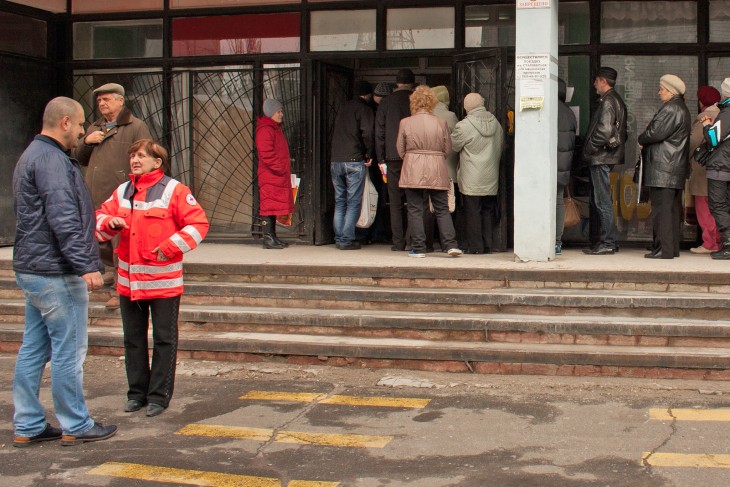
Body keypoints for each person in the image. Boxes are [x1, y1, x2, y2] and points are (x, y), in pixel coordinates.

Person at [12, 97, 117, 447]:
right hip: (55, 272)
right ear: (66, 122)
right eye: (83, 123)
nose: (86, 131)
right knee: (69, 351)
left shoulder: (33, 155)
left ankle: (27, 424)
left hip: (33, 268)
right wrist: (87, 264)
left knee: (33, 348)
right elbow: (63, 218)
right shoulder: (53, 161)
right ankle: (76, 422)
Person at [96, 139, 209, 417]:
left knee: (164, 340)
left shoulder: (174, 190)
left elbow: (199, 224)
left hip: (163, 284)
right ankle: (136, 394)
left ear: (157, 162)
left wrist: (170, 247)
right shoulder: (122, 192)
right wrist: (108, 224)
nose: (135, 160)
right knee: (132, 340)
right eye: (132, 155)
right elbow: (98, 222)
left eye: (141, 156)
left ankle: (158, 397)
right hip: (128, 283)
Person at [74, 83, 152, 310]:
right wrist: (87, 141)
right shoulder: (94, 127)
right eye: (99, 101)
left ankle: (120, 286)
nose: (102, 104)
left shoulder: (135, 126)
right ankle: (108, 271)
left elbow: (146, 156)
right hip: (95, 189)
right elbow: (79, 156)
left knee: (120, 239)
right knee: (99, 233)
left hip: (122, 192)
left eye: (107, 99)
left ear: (120, 101)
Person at [397, 85, 463, 258]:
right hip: (436, 168)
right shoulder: (441, 122)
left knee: (415, 209)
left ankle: (419, 248)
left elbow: (400, 149)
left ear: (413, 102)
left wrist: (413, 157)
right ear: (432, 102)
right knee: (442, 208)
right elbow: (447, 149)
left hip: (413, 168)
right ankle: (450, 245)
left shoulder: (405, 122)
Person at [638, 74, 691, 259]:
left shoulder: (671, 109)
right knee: (671, 211)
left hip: (664, 169)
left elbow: (654, 133)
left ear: (670, 91)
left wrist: (641, 139)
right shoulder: (680, 107)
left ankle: (663, 250)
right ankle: (670, 249)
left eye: (661, 89)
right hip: (672, 168)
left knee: (662, 211)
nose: (659, 92)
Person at [450, 92, 504, 254]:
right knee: (487, 210)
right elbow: (501, 146)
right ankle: (488, 244)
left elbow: (453, 146)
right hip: (491, 174)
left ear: (466, 107)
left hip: (471, 176)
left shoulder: (463, 126)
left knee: (472, 211)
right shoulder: (496, 123)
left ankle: (475, 247)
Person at [581, 67, 627, 255]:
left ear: (603, 81)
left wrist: (590, 149)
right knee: (602, 199)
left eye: (596, 81)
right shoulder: (616, 100)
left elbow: (604, 131)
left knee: (602, 201)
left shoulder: (608, 101)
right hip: (605, 156)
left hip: (600, 157)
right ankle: (608, 241)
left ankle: (608, 242)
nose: (594, 85)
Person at [330, 80, 375, 250]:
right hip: (354, 160)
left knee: (340, 200)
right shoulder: (364, 109)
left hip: (336, 160)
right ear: (368, 94)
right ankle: (346, 239)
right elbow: (368, 134)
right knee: (353, 201)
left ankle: (339, 236)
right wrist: (369, 154)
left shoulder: (342, 108)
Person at [376, 69, 416, 251]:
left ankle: (398, 242)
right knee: (414, 200)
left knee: (395, 201)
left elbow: (380, 132)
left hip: (392, 158)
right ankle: (412, 239)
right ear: (412, 84)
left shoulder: (386, 102)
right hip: (414, 157)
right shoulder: (416, 101)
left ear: (397, 84)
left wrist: (380, 157)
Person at [256, 99, 294, 249]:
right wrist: (280, 168)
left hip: (276, 175)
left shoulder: (274, 128)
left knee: (273, 207)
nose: (281, 114)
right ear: (271, 113)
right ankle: (268, 238)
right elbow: (266, 153)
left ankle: (273, 237)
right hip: (271, 175)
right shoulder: (266, 130)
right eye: (279, 111)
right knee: (268, 206)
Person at [688, 86, 722, 254]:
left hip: (702, 169)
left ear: (702, 101)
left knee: (703, 206)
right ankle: (719, 241)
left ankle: (710, 243)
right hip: (720, 169)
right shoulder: (723, 115)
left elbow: (693, 142)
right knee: (718, 207)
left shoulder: (705, 117)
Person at [701, 78, 730, 260]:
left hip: (721, 166)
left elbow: (713, 138)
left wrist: (706, 125)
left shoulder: (727, 113)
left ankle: (728, 244)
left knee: (718, 205)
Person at [556, 79, 578, 255]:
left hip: (548, 165)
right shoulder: (569, 113)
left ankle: (544, 239)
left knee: (546, 202)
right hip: (563, 164)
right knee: (558, 202)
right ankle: (557, 241)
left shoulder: (547, 109)